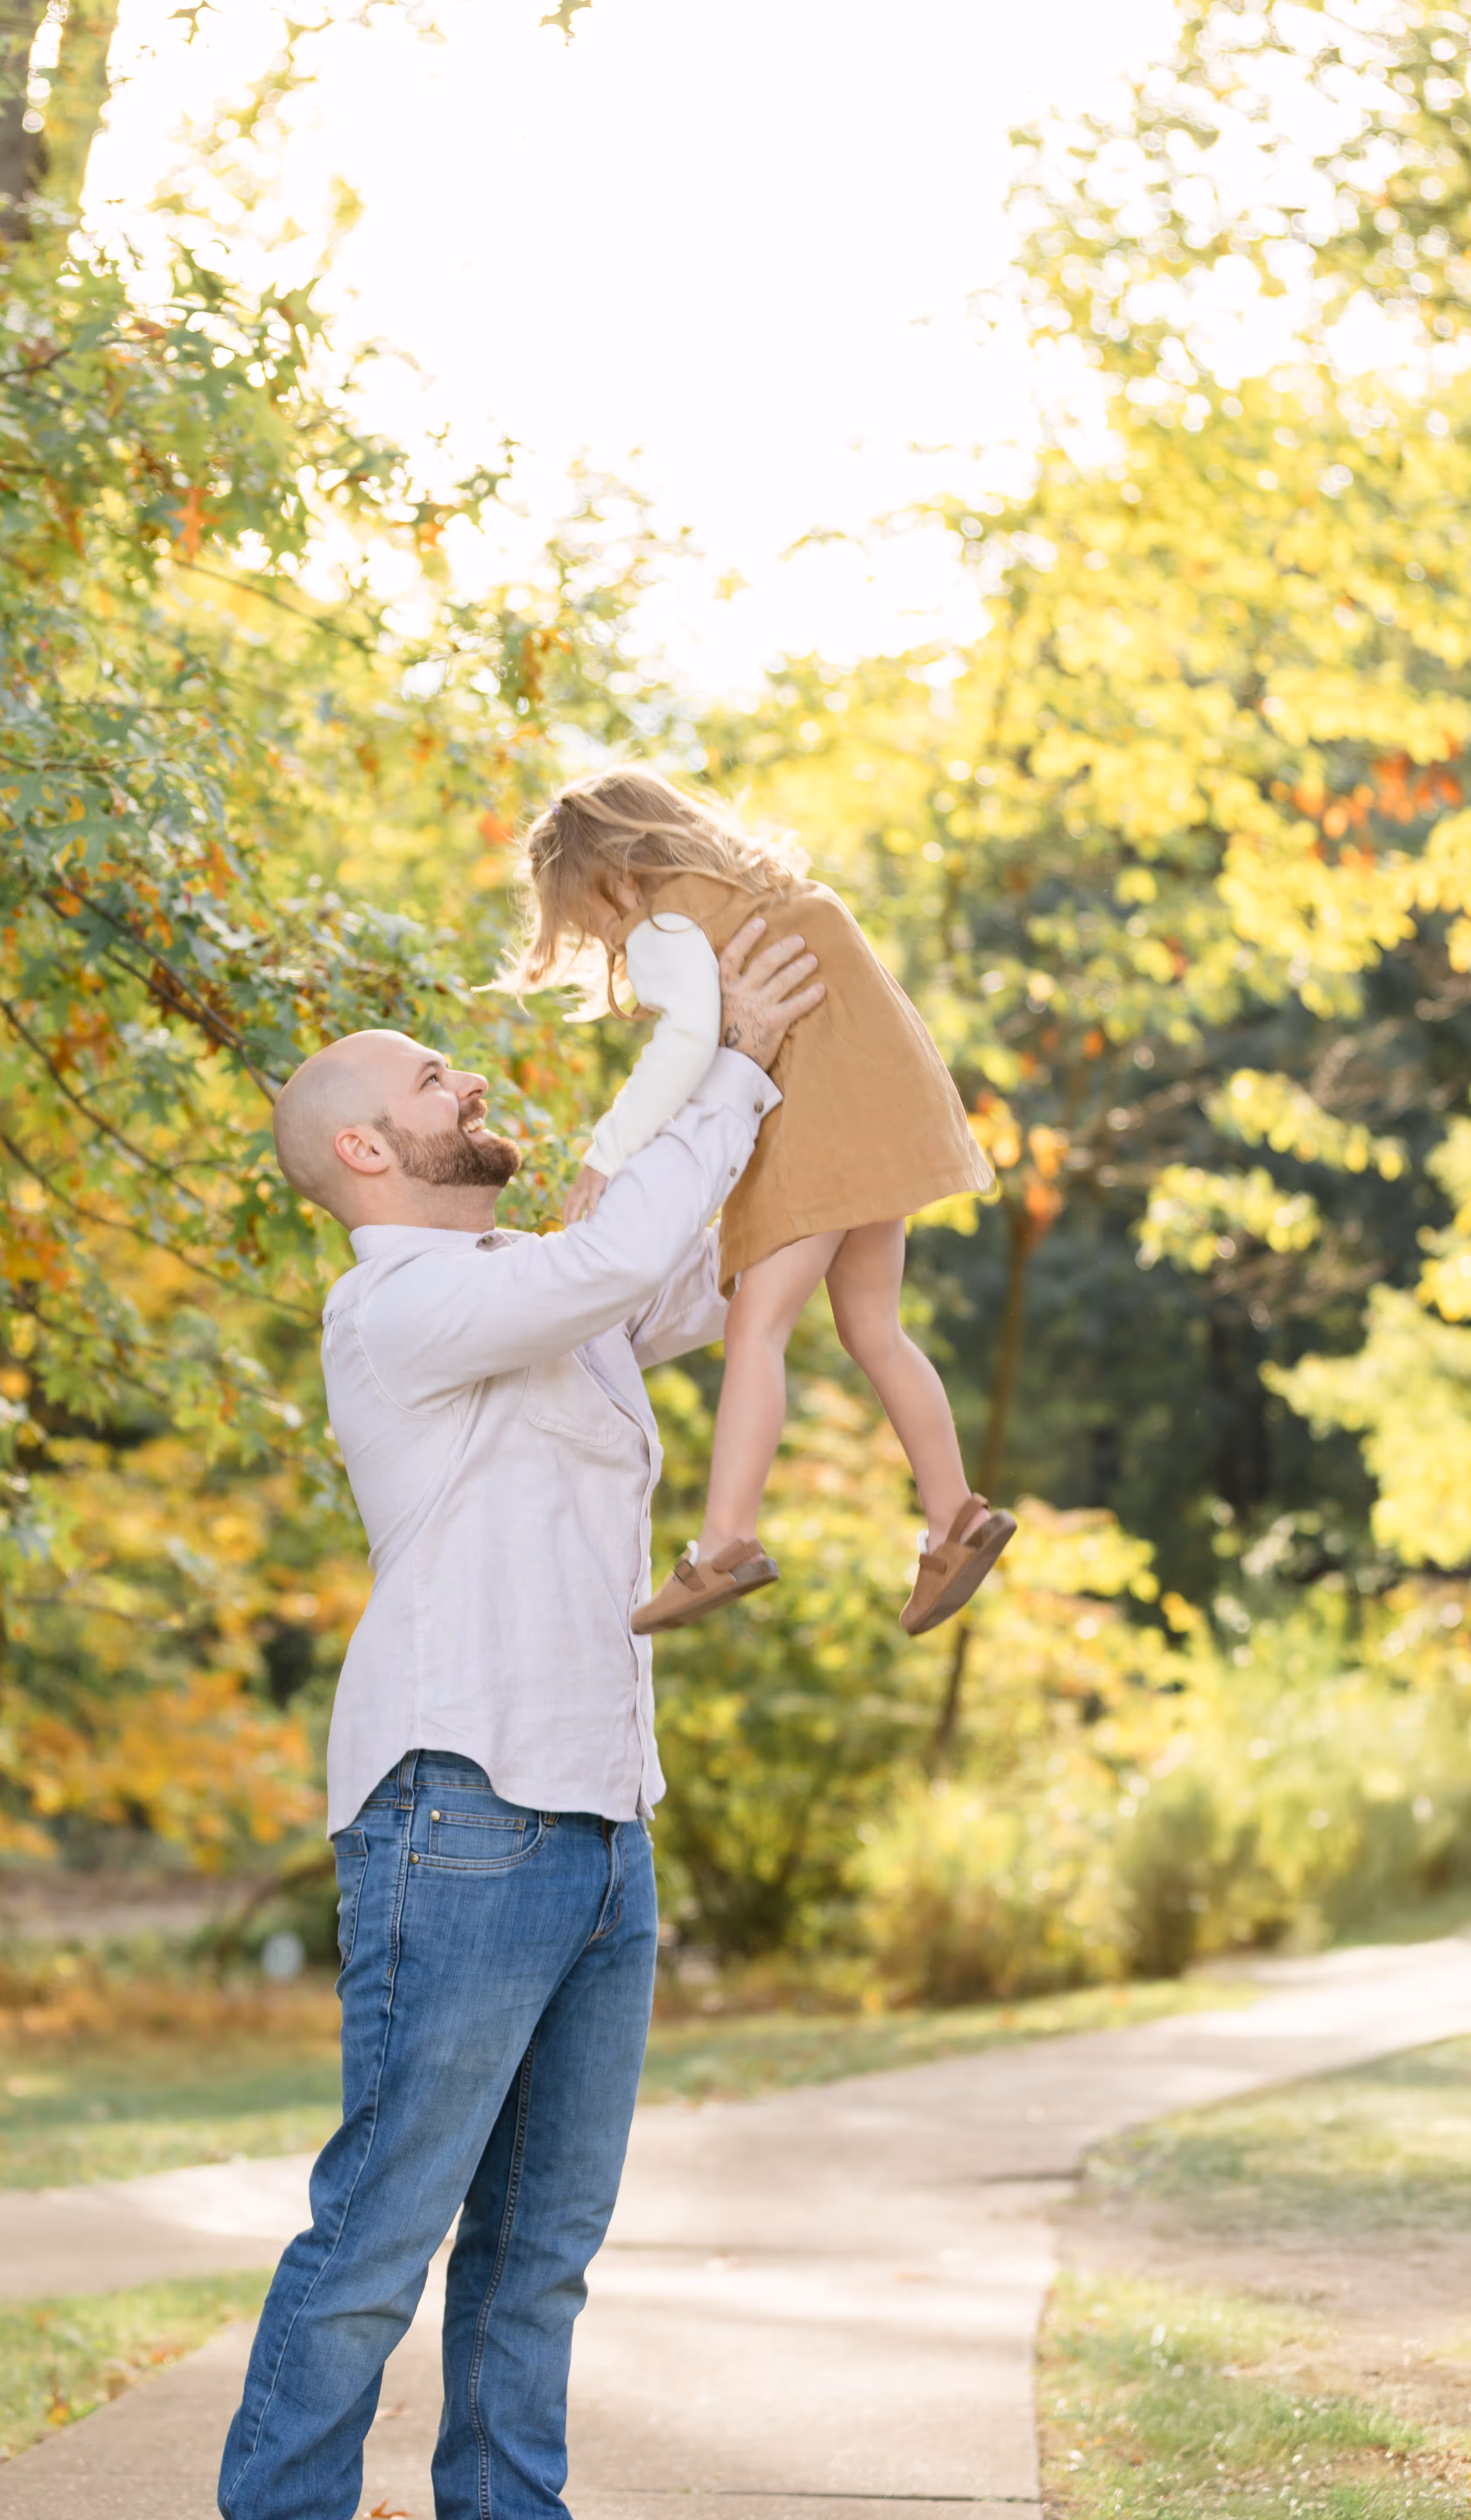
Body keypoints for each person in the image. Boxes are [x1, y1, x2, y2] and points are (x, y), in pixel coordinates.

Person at [216, 916, 823, 2520]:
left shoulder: (534, 1295)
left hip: (602, 1816)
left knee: (543, 2252)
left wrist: (811, 1086)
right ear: (368, 1148)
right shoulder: (394, 1311)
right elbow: (619, 1263)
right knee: (384, 2230)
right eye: (434, 1077)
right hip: (459, 1809)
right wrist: (729, 1071)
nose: (469, 1077)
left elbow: (690, 1278)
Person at [504, 763, 1013, 1641]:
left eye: (589, 917)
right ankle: (955, 1517)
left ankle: (725, 1543)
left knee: (756, 1327)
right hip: (881, 1114)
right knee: (874, 1332)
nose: (603, 935)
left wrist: (608, 1156)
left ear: (612, 873)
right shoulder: (757, 889)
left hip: (816, 1127)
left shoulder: (666, 914)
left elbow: (692, 1039)